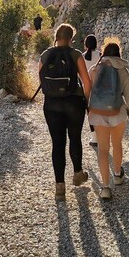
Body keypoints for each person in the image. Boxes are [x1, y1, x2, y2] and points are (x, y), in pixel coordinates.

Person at [38, 23, 93, 201]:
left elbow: (41, 79)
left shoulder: (45, 55)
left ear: (56, 36)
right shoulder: (75, 54)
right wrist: (86, 101)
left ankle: (59, 187)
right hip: (73, 102)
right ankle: (77, 173)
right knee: (75, 138)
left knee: (57, 143)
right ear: (71, 38)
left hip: (52, 105)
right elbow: (86, 81)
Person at [88, 38, 129, 200]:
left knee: (103, 149)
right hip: (118, 113)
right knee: (117, 144)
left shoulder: (94, 69)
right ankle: (117, 175)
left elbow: (90, 93)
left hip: (99, 113)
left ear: (103, 53)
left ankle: (104, 187)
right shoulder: (122, 70)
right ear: (118, 54)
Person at [83, 35, 101, 147]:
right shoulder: (100, 55)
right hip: (99, 89)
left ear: (85, 44)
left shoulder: (81, 56)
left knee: (90, 112)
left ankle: (94, 137)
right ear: (96, 44)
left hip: (86, 89)